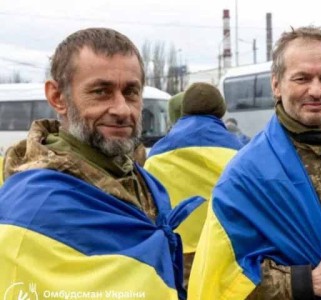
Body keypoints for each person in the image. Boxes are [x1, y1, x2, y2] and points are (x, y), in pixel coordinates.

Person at [189, 26, 321, 300]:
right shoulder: (244, 174)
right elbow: (224, 276)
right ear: (276, 85)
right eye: (301, 78)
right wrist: (305, 281)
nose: (316, 90)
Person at [0, 28, 202, 299]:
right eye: (101, 92)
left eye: (131, 92)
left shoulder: (144, 180)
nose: (121, 109)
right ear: (57, 97)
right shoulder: (30, 208)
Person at [144, 82, 243, 288]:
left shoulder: (155, 156)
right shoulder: (240, 154)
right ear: (220, 111)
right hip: (224, 257)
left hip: (175, 260)